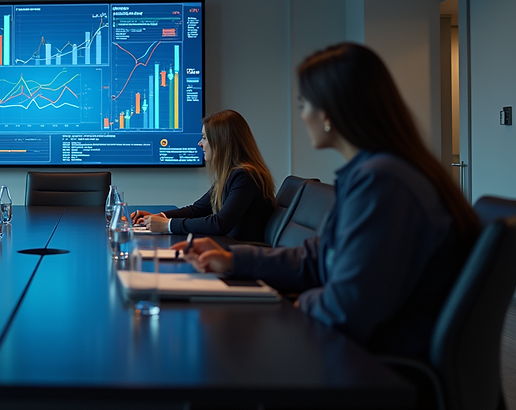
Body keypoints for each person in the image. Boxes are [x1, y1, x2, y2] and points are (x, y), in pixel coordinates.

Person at [177, 43, 479, 357]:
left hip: (376, 365)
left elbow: (346, 307)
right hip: (363, 349)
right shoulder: (376, 173)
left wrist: (295, 305)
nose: (303, 115)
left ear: (329, 112)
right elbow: (319, 257)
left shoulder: (382, 182)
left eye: (304, 104)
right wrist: (232, 260)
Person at [131, 109, 275, 242]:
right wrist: (160, 217)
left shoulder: (245, 177)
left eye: (205, 138)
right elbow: (198, 210)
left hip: (241, 255)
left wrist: (168, 225)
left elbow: (220, 224)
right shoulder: (233, 174)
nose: (200, 143)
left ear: (221, 142)